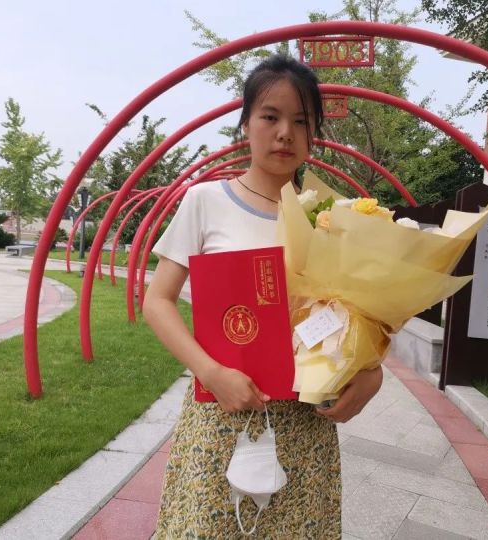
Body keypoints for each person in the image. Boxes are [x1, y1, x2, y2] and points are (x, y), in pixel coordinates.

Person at [143, 54, 383, 539]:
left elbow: (361, 318)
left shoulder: (331, 217)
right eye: (270, 116)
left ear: (314, 134)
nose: (285, 133)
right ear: (246, 124)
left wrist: (371, 373)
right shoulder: (206, 201)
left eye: (301, 121)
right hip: (223, 413)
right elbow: (157, 301)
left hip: (305, 427)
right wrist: (211, 372)